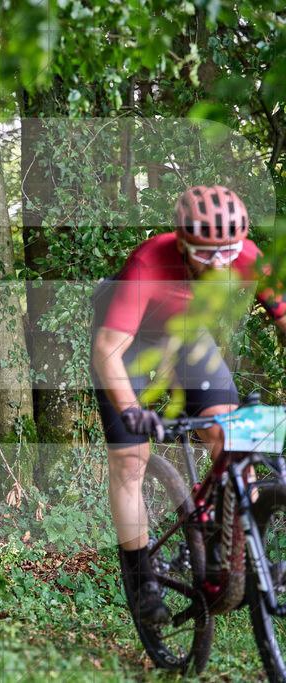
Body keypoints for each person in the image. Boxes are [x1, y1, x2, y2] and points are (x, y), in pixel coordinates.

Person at [91, 186, 286, 625]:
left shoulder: (249, 256)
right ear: (181, 242)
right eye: (205, 254)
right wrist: (131, 411)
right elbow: (107, 349)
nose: (220, 263)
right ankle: (142, 578)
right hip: (127, 346)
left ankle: (235, 559)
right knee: (129, 461)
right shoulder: (149, 263)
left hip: (185, 339)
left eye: (228, 253)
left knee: (234, 439)